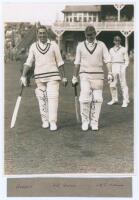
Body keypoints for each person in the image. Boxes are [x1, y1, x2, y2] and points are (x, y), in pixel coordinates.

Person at [20, 25, 68, 131]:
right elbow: (29, 62)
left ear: (47, 33)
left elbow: (60, 62)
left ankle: (53, 122)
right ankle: (45, 120)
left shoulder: (54, 45)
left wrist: (64, 77)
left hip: (53, 76)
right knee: (42, 99)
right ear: (37, 34)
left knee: (52, 98)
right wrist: (23, 76)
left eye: (44, 33)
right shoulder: (33, 46)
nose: (42, 35)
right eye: (40, 33)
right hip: (39, 77)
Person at [72, 25, 113, 131]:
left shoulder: (101, 45)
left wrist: (110, 72)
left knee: (98, 99)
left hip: (98, 76)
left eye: (92, 34)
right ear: (85, 34)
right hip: (84, 75)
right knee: (85, 98)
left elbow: (108, 60)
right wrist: (74, 76)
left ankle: (94, 122)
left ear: (95, 33)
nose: (90, 36)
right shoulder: (80, 46)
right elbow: (77, 63)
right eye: (88, 35)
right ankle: (85, 121)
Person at [107, 36, 129, 107]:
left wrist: (124, 67)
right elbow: (109, 61)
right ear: (114, 41)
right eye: (116, 41)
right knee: (112, 83)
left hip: (121, 65)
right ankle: (114, 99)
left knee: (123, 84)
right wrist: (109, 71)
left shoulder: (123, 49)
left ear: (120, 41)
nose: (117, 42)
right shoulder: (111, 50)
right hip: (113, 66)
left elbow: (127, 60)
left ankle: (125, 101)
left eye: (118, 41)